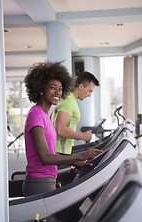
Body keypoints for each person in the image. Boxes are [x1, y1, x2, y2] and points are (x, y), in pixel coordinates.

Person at [22, 62, 101, 196]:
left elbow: (51, 152)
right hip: (39, 182)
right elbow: (45, 158)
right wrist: (80, 155)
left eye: (60, 89)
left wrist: (76, 162)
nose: (58, 92)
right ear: (41, 88)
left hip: (47, 180)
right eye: (53, 88)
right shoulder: (36, 114)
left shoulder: (44, 115)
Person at [51, 71, 100, 155]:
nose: (89, 95)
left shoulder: (70, 100)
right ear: (81, 86)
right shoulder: (68, 101)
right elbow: (60, 129)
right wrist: (82, 136)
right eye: (89, 91)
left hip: (60, 150)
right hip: (59, 152)